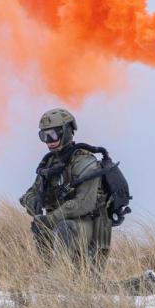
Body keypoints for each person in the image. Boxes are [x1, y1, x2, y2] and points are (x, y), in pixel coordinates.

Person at [19, 108, 112, 276]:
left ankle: (61, 278)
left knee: (63, 227)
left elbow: (84, 203)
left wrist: (50, 219)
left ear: (67, 131)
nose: (49, 140)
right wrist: (33, 203)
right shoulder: (49, 165)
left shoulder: (84, 161)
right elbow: (29, 194)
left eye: (53, 134)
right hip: (63, 227)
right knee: (41, 224)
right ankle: (52, 275)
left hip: (89, 225)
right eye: (44, 136)